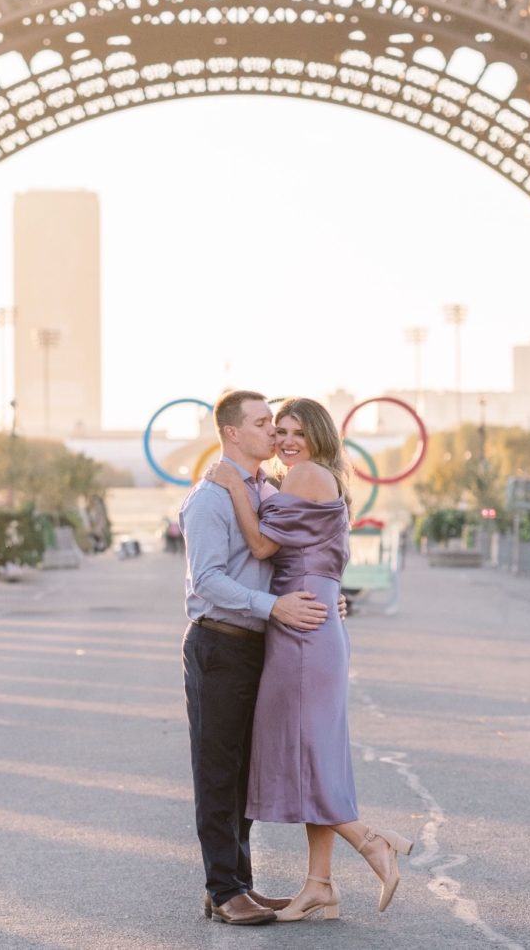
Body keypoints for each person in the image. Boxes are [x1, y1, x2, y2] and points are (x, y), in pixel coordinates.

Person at [207, 397, 412, 922]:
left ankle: (371, 843)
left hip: (302, 629)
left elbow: (258, 546)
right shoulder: (313, 479)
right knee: (314, 751)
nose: (286, 441)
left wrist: (232, 483)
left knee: (306, 754)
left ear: (320, 435)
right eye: (281, 431)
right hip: (313, 617)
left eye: (298, 431)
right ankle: (319, 884)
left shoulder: (302, 477)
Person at [179, 390, 331, 926]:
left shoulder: (264, 489)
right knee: (218, 772)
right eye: (263, 423)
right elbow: (208, 581)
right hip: (219, 643)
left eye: (274, 422)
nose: (274, 432)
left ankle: (237, 884)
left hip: (257, 646)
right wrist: (275, 606)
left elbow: (282, 554)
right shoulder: (210, 498)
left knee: (244, 775)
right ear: (232, 433)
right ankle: (223, 890)